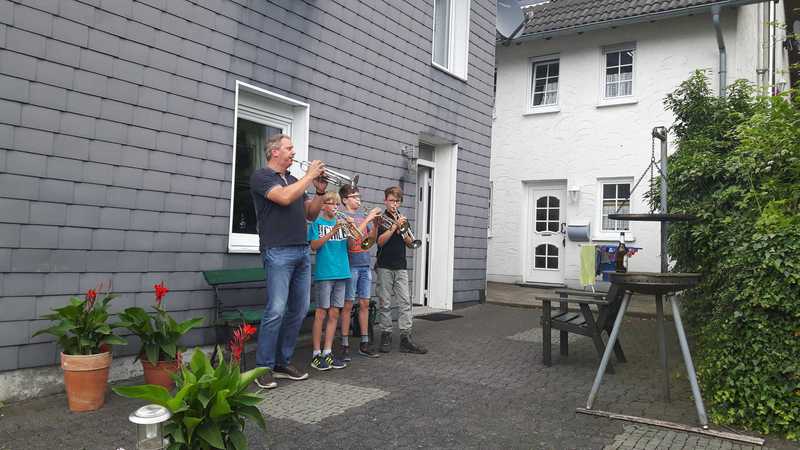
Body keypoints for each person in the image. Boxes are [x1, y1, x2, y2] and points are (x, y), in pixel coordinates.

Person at [250, 133, 327, 389]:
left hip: (301, 251)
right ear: (275, 152)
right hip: (277, 250)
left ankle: (282, 362)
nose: (294, 152)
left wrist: (319, 192)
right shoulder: (262, 176)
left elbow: (311, 214)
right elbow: (283, 197)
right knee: (276, 310)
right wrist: (309, 176)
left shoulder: (294, 180)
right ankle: (263, 367)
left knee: (299, 309)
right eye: (289, 148)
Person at [375, 186, 428, 354]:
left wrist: (404, 231)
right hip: (384, 265)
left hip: (401, 266)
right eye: (391, 200)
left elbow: (410, 244)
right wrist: (393, 227)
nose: (394, 204)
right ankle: (386, 334)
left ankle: (406, 338)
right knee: (385, 303)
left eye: (397, 201)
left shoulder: (403, 220)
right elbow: (380, 242)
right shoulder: (381, 219)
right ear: (385, 201)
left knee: (405, 302)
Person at [308, 192, 351, 371]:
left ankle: (328, 352)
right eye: (331, 203)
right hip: (325, 273)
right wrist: (333, 231)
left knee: (334, 314)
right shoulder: (317, 223)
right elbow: (314, 246)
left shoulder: (342, 223)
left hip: (342, 272)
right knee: (321, 313)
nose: (335, 207)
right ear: (323, 206)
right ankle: (316, 354)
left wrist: (350, 230)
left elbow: (352, 246)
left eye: (337, 204)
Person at [338, 185, 382, 360]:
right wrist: (369, 218)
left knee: (364, 304)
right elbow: (352, 240)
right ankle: (344, 345)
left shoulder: (363, 216)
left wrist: (375, 225)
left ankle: (364, 343)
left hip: (365, 264)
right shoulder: (342, 217)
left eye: (359, 196)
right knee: (348, 305)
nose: (358, 199)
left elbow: (370, 241)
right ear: (345, 200)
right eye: (354, 196)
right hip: (351, 265)